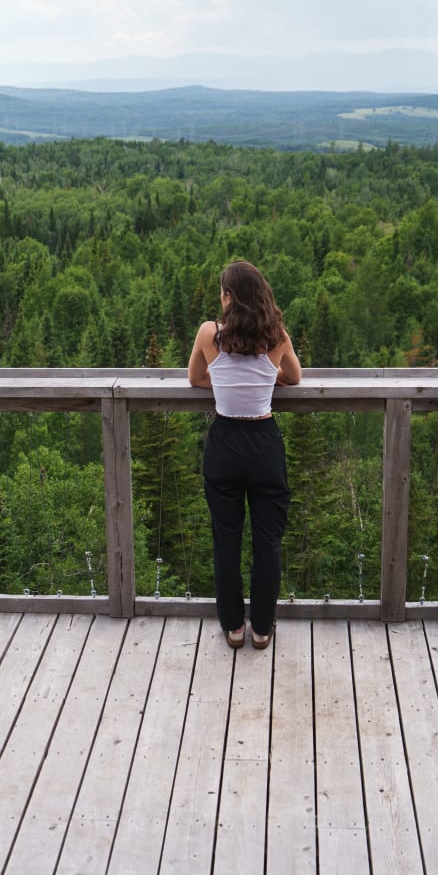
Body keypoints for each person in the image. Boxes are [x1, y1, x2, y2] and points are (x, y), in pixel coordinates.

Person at [187, 260, 302, 649]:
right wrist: (268, 375)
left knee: (226, 538)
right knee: (267, 540)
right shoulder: (276, 336)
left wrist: (224, 378)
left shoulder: (209, 334)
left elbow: (196, 378)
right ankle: (263, 629)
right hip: (263, 442)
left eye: (222, 292)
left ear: (229, 297)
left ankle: (234, 627)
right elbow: (296, 378)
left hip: (225, 442)